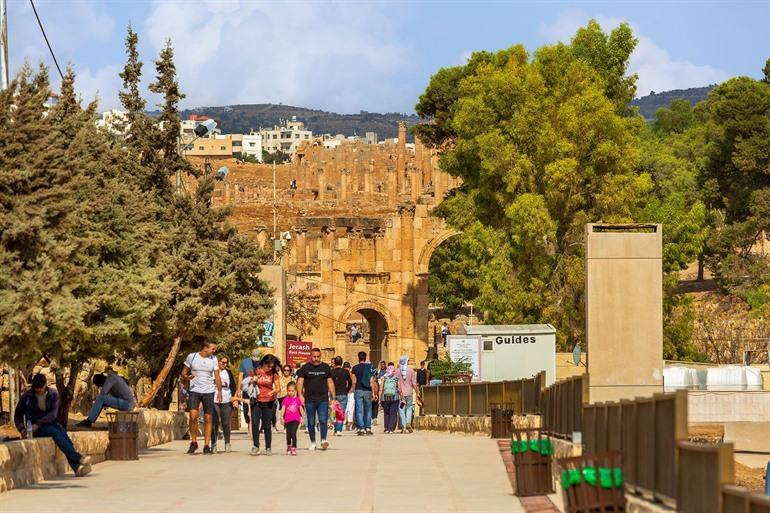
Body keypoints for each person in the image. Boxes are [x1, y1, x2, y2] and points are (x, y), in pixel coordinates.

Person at [15, 374, 92, 477]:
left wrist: (39, 424)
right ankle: (78, 458)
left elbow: (53, 414)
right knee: (55, 432)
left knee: (62, 434)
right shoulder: (27, 396)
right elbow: (18, 414)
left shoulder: (53, 394)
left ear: (45, 385)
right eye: (36, 388)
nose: (38, 390)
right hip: (34, 429)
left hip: (48, 424)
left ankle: (76, 467)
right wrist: (21, 428)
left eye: (40, 388)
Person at [181, 341, 223, 455]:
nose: (214, 351)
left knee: (208, 418)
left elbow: (217, 376)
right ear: (205, 348)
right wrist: (186, 377)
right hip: (194, 390)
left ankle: (206, 445)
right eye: (213, 349)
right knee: (193, 416)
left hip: (209, 391)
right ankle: (193, 442)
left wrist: (219, 392)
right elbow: (184, 373)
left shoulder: (213, 359)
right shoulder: (192, 356)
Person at [296, 347, 336, 451]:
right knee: (311, 421)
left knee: (323, 420)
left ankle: (323, 440)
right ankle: (313, 442)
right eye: (314, 357)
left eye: (318, 357)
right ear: (311, 356)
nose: (316, 359)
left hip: (323, 398)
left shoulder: (326, 367)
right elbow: (300, 381)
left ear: (320, 356)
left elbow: (330, 382)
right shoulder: (305, 368)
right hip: (309, 399)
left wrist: (333, 397)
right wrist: (300, 395)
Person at [250, 354, 280, 456]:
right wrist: (253, 380)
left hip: (269, 402)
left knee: (267, 425)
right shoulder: (256, 371)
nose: (270, 368)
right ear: (263, 363)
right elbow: (247, 384)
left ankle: (268, 447)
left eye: (272, 366)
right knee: (254, 423)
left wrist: (274, 391)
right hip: (256, 401)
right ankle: (256, 446)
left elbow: (278, 387)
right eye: (268, 366)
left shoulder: (274, 374)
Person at [211, 355, 236, 454]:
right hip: (214, 400)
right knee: (215, 423)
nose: (224, 364)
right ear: (218, 362)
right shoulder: (212, 372)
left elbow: (233, 386)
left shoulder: (228, 373)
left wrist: (234, 399)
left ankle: (227, 443)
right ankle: (214, 444)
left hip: (226, 400)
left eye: (226, 363)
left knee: (226, 423)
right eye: (222, 362)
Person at [351, 351, 375, 436]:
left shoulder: (355, 368)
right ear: (365, 357)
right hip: (368, 390)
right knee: (368, 410)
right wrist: (374, 393)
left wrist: (353, 391)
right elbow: (372, 381)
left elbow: (354, 381)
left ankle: (361, 428)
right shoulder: (369, 367)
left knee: (359, 410)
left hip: (358, 389)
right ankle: (368, 428)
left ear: (358, 358)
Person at [237, 349, 261, 431]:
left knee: (255, 408)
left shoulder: (261, 363)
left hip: (256, 389)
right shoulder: (245, 362)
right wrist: (238, 390)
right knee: (246, 409)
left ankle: (254, 427)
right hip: (246, 388)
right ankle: (248, 423)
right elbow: (240, 376)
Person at [330, 356, 354, 436]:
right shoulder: (345, 372)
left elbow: (329, 383)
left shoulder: (331, 372)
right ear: (341, 362)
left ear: (335, 363)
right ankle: (338, 430)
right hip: (343, 393)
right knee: (341, 412)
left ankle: (335, 429)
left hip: (334, 394)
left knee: (334, 412)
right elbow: (350, 382)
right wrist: (347, 390)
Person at [280, 382, 303, 455]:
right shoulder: (285, 400)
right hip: (287, 420)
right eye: (289, 391)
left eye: (292, 391)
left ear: (295, 391)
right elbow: (283, 409)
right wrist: (281, 417)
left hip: (296, 419)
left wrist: (302, 417)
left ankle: (294, 448)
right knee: (288, 435)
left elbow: (301, 409)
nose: (290, 392)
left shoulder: (297, 400)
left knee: (293, 433)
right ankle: (289, 446)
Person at [378, 363, 402, 434]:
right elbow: (400, 389)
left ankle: (386, 428)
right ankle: (391, 428)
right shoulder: (396, 378)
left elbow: (381, 389)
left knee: (386, 413)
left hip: (385, 398)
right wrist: (402, 397)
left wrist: (379, 399)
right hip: (395, 398)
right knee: (393, 413)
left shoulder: (383, 378)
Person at [397, 355, 418, 433]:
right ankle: (408, 422)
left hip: (400, 394)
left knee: (401, 409)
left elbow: (396, 382)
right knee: (409, 407)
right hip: (409, 393)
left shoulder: (397, 371)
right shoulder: (411, 371)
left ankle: (403, 426)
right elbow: (414, 384)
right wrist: (417, 392)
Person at [275, 363, 294, 431]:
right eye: (285, 370)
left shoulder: (292, 379)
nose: (286, 371)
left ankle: (287, 426)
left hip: (289, 397)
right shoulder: (279, 379)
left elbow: (295, 388)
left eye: (288, 370)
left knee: (288, 411)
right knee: (281, 411)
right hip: (281, 397)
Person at [371, 360, 386, 426]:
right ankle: (373, 418)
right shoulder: (378, 373)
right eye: (381, 364)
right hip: (375, 392)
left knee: (375, 406)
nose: (382, 365)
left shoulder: (386, 372)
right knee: (373, 406)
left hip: (379, 390)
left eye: (383, 364)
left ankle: (375, 418)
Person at [342, 361, 355, 430]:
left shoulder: (352, 375)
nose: (346, 369)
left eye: (347, 367)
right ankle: (344, 422)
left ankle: (349, 423)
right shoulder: (343, 374)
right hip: (344, 393)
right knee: (345, 408)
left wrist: (351, 389)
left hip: (351, 393)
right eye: (345, 368)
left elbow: (354, 383)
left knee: (351, 408)